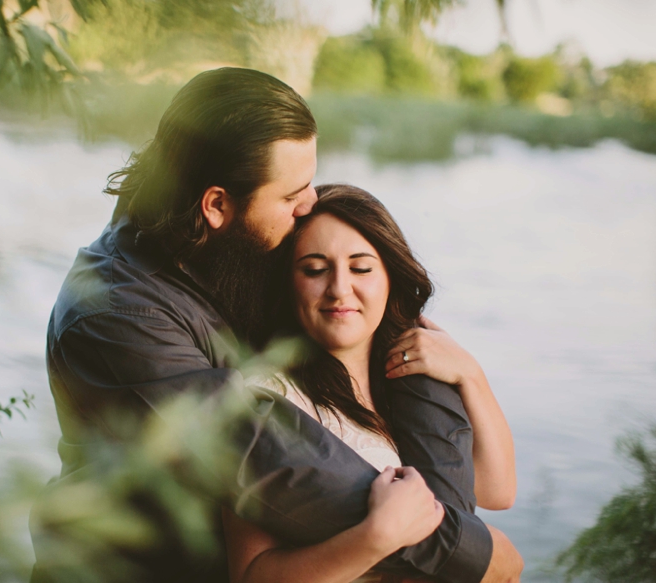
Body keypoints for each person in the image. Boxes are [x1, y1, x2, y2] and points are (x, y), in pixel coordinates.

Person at [31, 67, 522, 583]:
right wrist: (462, 553)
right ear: (216, 204)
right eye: (292, 196)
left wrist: (459, 372)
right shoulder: (116, 313)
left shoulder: (222, 241)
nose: (309, 205)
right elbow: (257, 449)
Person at [222, 184, 521, 583]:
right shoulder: (267, 398)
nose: (339, 289)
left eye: (361, 268)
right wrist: (376, 538)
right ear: (287, 282)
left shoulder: (415, 379)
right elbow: (252, 574)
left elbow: (496, 491)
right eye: (314, 269)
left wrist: (471, 374)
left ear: (390, 278)